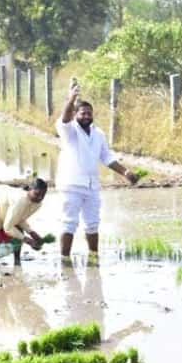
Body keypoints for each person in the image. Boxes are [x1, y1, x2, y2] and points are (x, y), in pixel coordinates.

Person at [55, 81, 139, 262]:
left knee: (92, 224)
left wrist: (125, 173)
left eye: (89, 113)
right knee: (69, 223)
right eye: (82, 113)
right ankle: (64, 259)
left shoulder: (98, 134)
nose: (86, 116)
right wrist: (72, 98)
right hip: (71, 185)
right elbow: (64, 118)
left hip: (92, 186)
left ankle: (94, 257)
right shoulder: (69, 130)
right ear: (75, 114)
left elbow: (107, 158)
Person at [0, 180, 49, 266]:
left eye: (43, 195)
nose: (40, 198)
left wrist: (32, 232)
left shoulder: (37, 203)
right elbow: (7, 227)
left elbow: (19, 219)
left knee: (18, 229)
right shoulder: (20, 200)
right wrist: (29, 241)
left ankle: (17, 261)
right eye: (37, 194)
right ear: (30, 189)